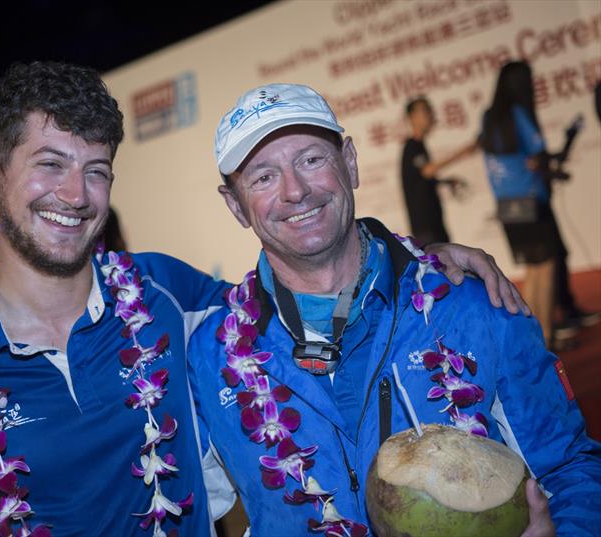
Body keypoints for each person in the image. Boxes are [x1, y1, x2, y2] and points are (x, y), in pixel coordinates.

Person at [0, 62, 528, 537]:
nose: (75, 194)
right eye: (49, 164)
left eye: (95, 170)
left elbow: (312, 288)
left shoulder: (162, 292)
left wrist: (416, 256)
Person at [187, 83, 601, 536]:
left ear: (349, 162)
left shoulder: (471, 301)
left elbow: (568, 469)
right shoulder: (210, 358)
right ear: (236, 205)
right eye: (263, 177)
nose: (295, 191)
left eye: (311, 159)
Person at [478, 61, 582, 346]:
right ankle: (547, 336)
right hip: (530, 200)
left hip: (506, 206)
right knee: (546, 268)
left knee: (534, 269)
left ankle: (535, 336)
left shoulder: (488, 117)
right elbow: (538, 155)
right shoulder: (518, 114)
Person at [400, 97, 472, 245]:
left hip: (434, 223)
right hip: (426, 227)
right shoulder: (411, 147)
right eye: (424, 111)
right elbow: (427, 171)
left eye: (430, 110)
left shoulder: (420, 146)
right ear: (411, 117)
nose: (430, 115)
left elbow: (421, 179)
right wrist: (463, 153)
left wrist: (445, 181)